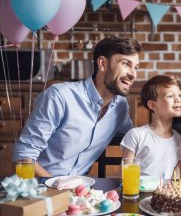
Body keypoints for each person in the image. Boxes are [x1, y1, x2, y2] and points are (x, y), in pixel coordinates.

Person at [13, 37, 142, 177]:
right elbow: (23, 157)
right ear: (103, 64)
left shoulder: (120, 106)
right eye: (126, 64)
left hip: (79, 191)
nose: (133, 74)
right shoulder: (59, 96)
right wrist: (58, 188)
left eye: (135, 67)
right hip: (40, 188)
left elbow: (132, 139)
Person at [120, 75, 181, 179]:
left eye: (180, 95)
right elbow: (125, 175)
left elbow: (177, 180)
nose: (178, 99)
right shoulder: (136, 135)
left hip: (165, 194)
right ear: (153, 105)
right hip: (138, 193)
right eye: (170, 96)